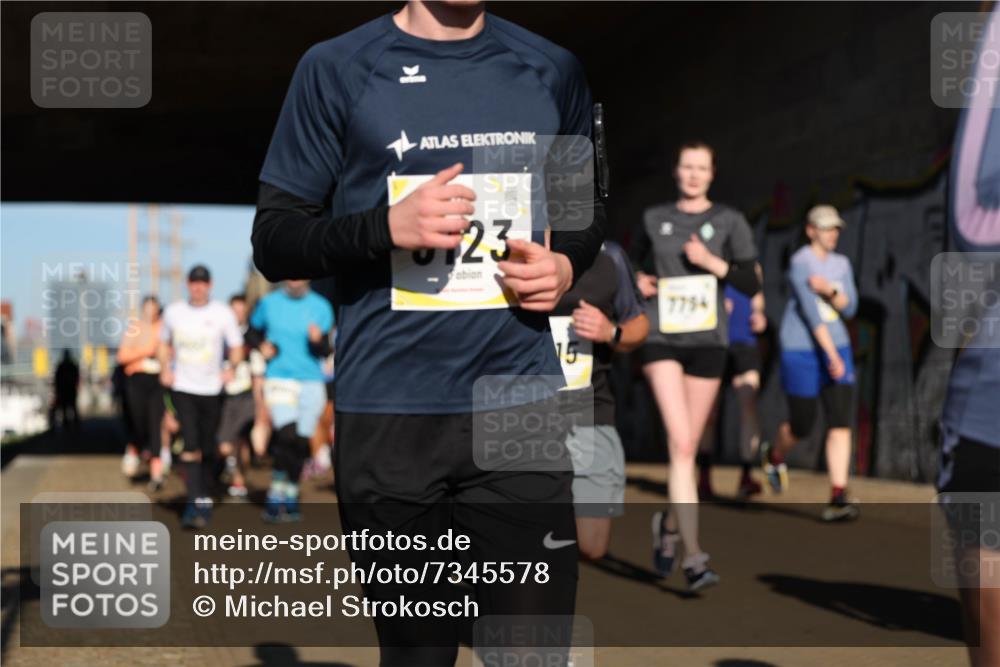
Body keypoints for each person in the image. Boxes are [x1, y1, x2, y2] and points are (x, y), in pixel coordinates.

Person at [252, 2, 606, 663]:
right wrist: (383, 228)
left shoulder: (552, 68)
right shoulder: (335, 68)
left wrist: (565, 264)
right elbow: (274, 241)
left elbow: (582, 213)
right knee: (420, 653)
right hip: (391, 412)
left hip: (519, 400)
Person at [632, 141, 760, 591]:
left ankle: (668, 525)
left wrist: (712, 263)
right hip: (661, 338)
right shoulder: (652, 218)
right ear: (676, 170)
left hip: (708, 342)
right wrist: (637, 279)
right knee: (682, 444)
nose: (693, 174)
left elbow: (750, 279)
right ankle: (694, 557)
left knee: (685, 449)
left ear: (712, 173)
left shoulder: (729, 220)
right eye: (686, 166)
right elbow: (629, 265)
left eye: (701, 168)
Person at [551, 241, 648, 560]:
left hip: (589, 410)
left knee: (592, 545)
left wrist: (611, 332)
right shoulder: (510, 243)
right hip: (519, 414)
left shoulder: (609, 256)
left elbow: (638, 323)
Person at [762, 204, 859, 522]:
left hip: (838, 346)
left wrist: (829, 290)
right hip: (802, 348)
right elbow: (810, 313)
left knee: (840, 421)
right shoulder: (800, 262)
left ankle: (837, 495)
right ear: (810, 230)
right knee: (802, 424)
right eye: (826, 228)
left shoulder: (841, 263)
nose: (832, 234)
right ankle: (775, 454)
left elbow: (850, 307)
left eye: (836, 228)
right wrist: (830, 355)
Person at [158, 265, 243, 529]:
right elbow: (163, 343)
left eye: (202, 283)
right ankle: (194, 502)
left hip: (212, 390)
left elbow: (237, 348)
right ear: (188, 284)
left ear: (210, 285)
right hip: (183, 387)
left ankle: (204, 493)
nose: (198, 287)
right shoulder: (174, 312)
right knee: (190, 444)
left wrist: (230, 368)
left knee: (208, 447)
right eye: (194, 282)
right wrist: (164, 368)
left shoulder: (222, 313)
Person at [248, 280, 334, 522]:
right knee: (286, 433)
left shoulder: (321, 306)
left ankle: (292, 493)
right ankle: (276, 493)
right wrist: (261, 345)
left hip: (311, 380)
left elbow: (326, 350)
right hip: (279, 377)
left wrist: (318, 341)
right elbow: (251, 332)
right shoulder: (269, 303)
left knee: (300, 440)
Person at [697, 276, 768, 499]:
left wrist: (759, 315)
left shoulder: (749, 260)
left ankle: (746, 476)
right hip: (713, 342)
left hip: (745, 343)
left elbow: (757, 294)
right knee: (709, 413)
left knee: (749, 403)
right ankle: (704, 476)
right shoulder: (706, 253)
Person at [116, 295, 166, 489]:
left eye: (154, 309)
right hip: (137, 380)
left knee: (156, 424)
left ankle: (156, 473)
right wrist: (147, 351)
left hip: (158, 381)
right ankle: (134, 447)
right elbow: (123, 356)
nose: (151, 313)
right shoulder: (135, 328)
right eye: (147, 309)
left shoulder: (164, 327)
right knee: (139, 421)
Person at [216, 294, 256, 498]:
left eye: (242, 311)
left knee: (241, 440)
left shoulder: (254, 336)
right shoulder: (218, 335)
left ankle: (239, 480)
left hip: (246, 394)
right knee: (225, 442)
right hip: (222, 394)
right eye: (234, 311)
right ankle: (229, 469)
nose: (238, 315)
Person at [51, 349, 80, 431]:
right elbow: (76, 378)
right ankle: (75, 427)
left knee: (66, 409)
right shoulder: (72, 365)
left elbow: (57, 380)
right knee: (72, 408)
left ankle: (67, 427)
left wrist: (57, 390)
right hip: (70, 391)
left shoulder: (61, 366)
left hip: (64, 391)